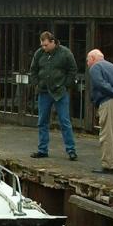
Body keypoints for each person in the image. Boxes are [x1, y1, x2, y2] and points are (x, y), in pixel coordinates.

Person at [29, 31, 78, 160]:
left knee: (64, 121)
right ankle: (42, 149)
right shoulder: (39, 54)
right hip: (44, 91)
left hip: (60, 92)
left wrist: (66, 85)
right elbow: (33, 70)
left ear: (52, 42)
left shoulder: (65, 53)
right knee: (42, 121)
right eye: (42, 45)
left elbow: (72, 70)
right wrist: (37, 84)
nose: (43, 48)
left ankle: (71, 150)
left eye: (45, 45)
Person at [86, 49, 113, 174]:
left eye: (88, 60)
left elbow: (100, 84)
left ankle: (107, 165)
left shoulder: (95, 67)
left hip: (109, 102)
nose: (87, 63)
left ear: (93, 58)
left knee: (107, 134)